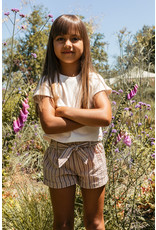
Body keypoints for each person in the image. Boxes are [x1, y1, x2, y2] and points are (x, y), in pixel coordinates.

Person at [33, 14, 112, 230]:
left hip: (91, 154)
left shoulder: (93, 79)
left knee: (94, 222)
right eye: (60, 38)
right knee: (63, 223)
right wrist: (89, 117)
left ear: (85, 44)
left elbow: (105, 117)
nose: (68, 44)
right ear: (52, 44)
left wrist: (67, 111)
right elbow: (49, 124)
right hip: (59, 155)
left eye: (75, 38)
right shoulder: (47, 82)